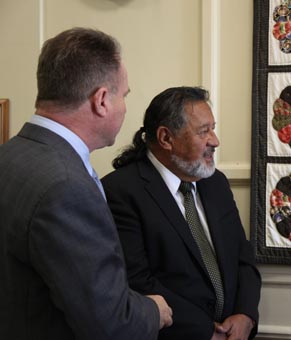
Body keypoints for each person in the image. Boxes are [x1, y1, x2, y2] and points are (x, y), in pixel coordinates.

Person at [0, 28, 173, 340]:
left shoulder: (10, 154)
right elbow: (110, 325)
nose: (124, 106)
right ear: (102, 100)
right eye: (125, 95)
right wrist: (153, 311)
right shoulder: (66, 186)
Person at [102, 86, 261, 340]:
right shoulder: (120, 191)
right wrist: (206, 332)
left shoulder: (215, 183)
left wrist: (245, 315)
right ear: (166, 138)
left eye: (213, 127)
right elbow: (137, 281)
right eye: (203, 131)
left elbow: (242, 256)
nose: (215, 140)